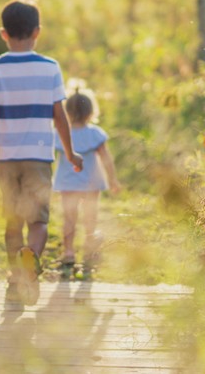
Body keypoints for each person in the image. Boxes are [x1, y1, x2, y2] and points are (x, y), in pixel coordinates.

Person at [0, 0, 83, 309]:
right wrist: (70, 153)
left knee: (13, 221)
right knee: (38, 221)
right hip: (38, 156)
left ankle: (15, 281)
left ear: (3, 33)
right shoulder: (50, 67)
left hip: (5, 156)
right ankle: (32, 258)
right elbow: (59, 116)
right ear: (37, 32)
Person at [53, 81, 121, 281]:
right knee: (91, 217)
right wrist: (113, 180)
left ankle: (68, 252)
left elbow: (50, 157)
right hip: (91, 184)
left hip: (67, 183)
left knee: (69, 218)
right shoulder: (95, 134)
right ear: (91, 111)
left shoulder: (60, 133)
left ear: (67, 111)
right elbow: (106, 159)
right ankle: (89, 249)